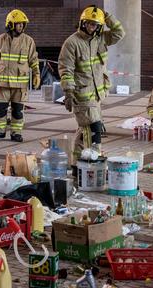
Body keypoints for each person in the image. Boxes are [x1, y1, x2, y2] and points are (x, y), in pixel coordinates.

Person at [58, 5, 124, 167]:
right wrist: (68, 91)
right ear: (82, 23)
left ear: (99, 26)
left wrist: (107, 16)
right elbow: (66, 69)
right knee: (94, 130)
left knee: (84, 131)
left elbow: (119, 33)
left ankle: (75, 165)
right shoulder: (72, 43)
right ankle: (94, 163)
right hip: (80, 95)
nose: (90, 27)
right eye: (87, 23)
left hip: (96, 95)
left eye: (94, 24)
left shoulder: (100, 38)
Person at [0, 9, 40, 142]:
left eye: (23, 24)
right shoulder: (0, 40)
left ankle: (16, 133)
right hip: (2, 83)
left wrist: (36, 74)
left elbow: (34, 59)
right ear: (10, 24)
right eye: (18, 24)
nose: (21, 26)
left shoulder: (28, 41)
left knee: (17, 111)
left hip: (20, 85)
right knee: (0, 110)